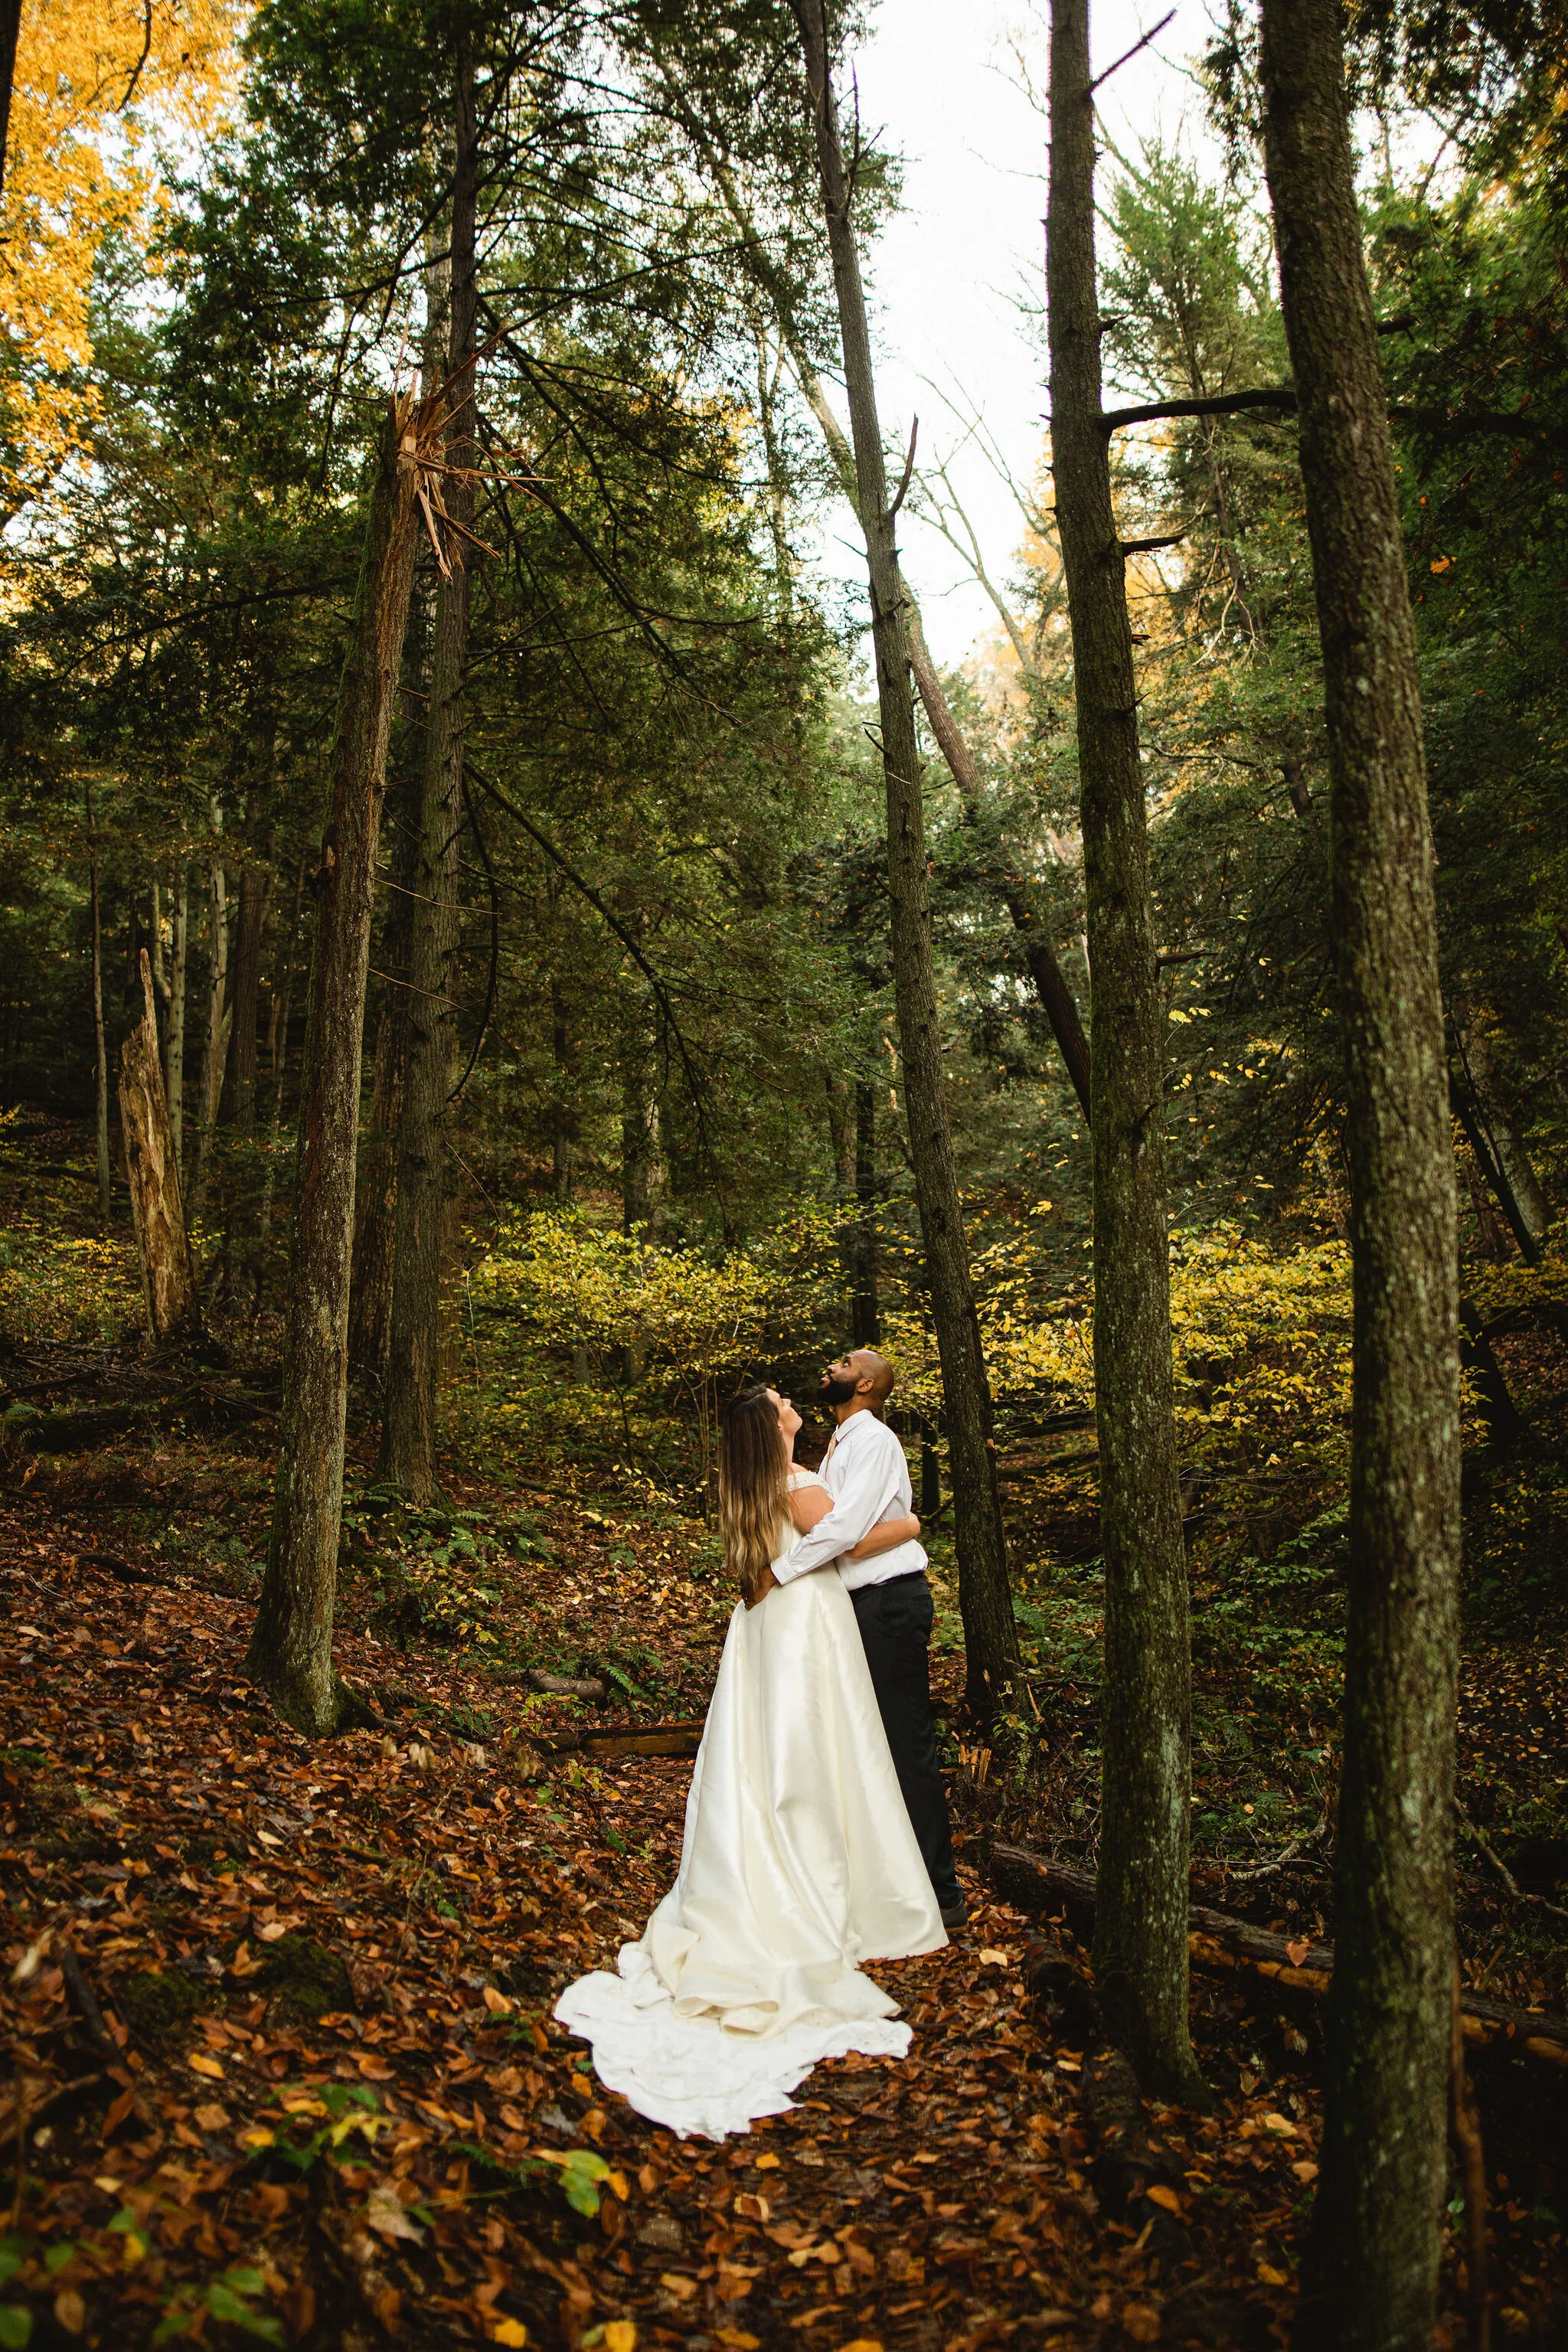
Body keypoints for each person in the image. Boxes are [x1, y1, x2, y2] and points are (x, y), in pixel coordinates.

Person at [554, 1383, 945, 2140]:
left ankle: (791, 1859)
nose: (792, 1399)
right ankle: (811, 1883)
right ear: (773, 1424)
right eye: (779, 1399)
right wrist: (913, 1521)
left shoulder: (752, 1485)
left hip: (766, 1625)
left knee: (767, 1753)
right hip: (803, 1625)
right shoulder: (796, 1485)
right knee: (809, 1754)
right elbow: (851, 1538)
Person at [756, 1348, 965, 1929]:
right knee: (867, 1746)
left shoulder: (874, 1441)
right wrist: (908, 1524)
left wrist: (780, 1571)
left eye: (845, 1362)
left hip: (890, 1603)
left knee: (905, 1745)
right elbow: (838, 1526)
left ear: (866, 1382)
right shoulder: (840, 1445)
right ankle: (885, 1877)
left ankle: (941, 1894)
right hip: (860, 1609)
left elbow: (844, 1533)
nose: (831, 1364)